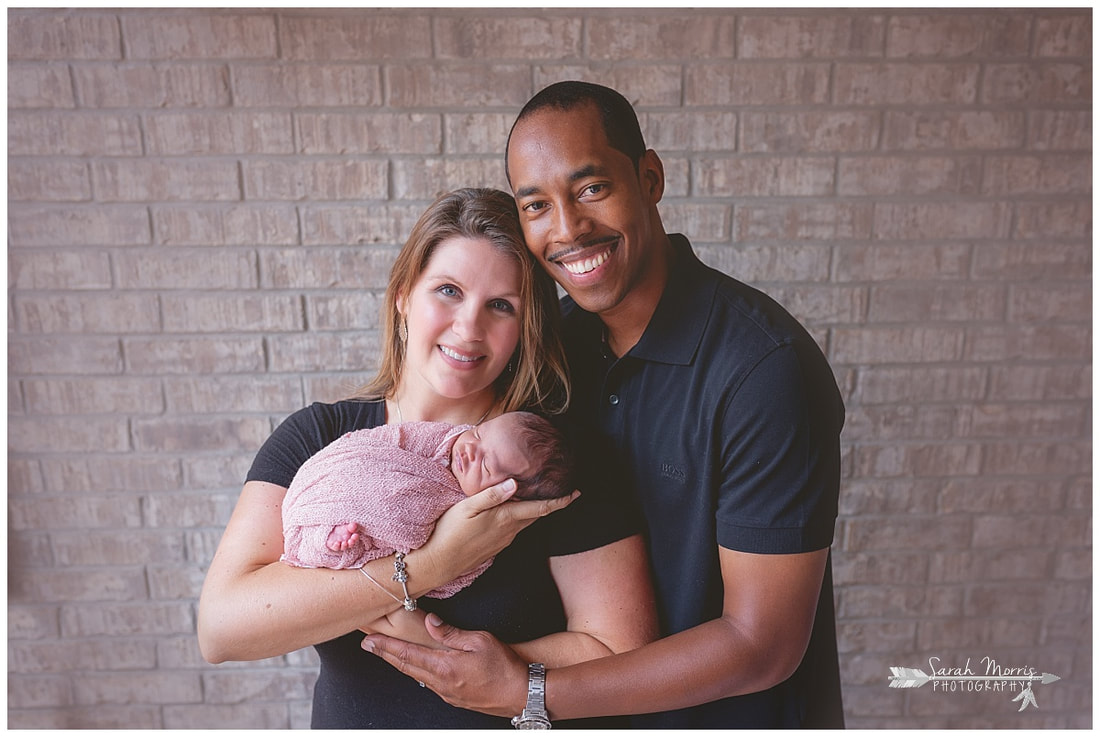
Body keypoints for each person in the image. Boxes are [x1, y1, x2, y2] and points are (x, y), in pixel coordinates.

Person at [361, 82, 847, 728]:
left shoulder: (763, 371)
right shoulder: (550, 351)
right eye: (537, 205)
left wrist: (527, 690)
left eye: (592, 189)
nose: (567, 229)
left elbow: (763, 644)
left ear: (649, 178)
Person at [197, 187, 657, 729]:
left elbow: (621, 650)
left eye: (501, 305)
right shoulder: (319, 438)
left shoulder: (545, 463)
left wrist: (509, 675)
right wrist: (434, 564)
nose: (468, 327)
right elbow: (222, 629)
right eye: (447, 290)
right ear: (402, 296)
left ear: (524, 328)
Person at [280, 411, 575, 602]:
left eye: (485, 463)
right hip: (339, 481)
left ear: (507, 494)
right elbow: (396, 438)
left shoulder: (484, 525)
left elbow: (463, 566)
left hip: (372, 539)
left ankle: (329, 542)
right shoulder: (441, 439)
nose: (470, 449)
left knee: (354, 543)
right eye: (478, 433)